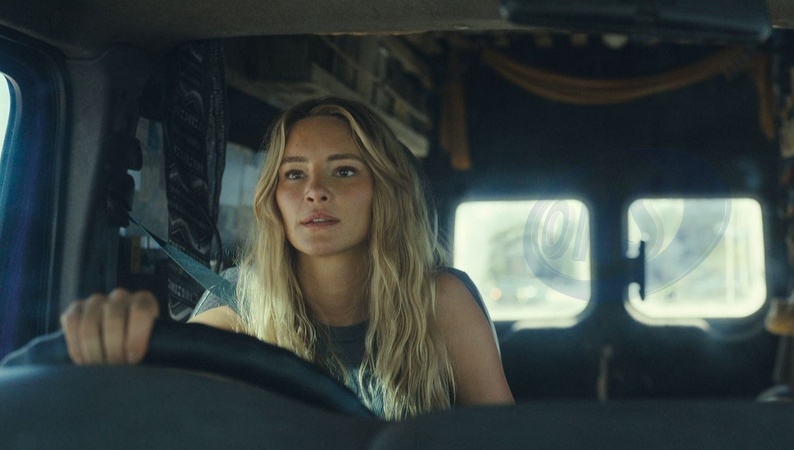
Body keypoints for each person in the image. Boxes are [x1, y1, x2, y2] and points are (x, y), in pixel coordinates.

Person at [59, 97, 514, 419]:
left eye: (344, 171)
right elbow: (158, 405)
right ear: (274, 198)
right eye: (294, 174)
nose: (315, 191)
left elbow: (502, 439)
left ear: (386, 192)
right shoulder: (239, 307)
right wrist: (118, 345)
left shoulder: (440, 300)